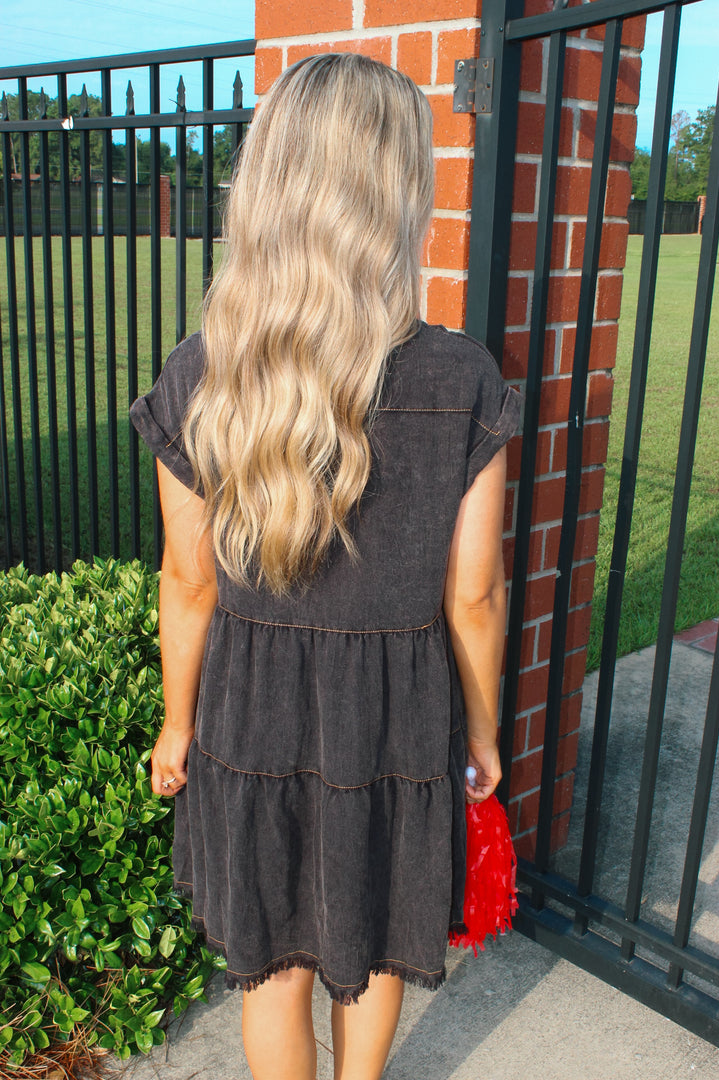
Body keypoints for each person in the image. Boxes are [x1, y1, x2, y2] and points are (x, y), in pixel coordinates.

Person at [130, 52, 520, 1080]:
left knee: (274, 955)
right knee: (379, 929)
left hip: (248, 709)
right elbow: (472, 593)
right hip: (394, 713)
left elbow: (190, 580)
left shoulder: (201, 371)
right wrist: (478, 730)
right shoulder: (460, 377)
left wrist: (179, 723)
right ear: (396, 194)